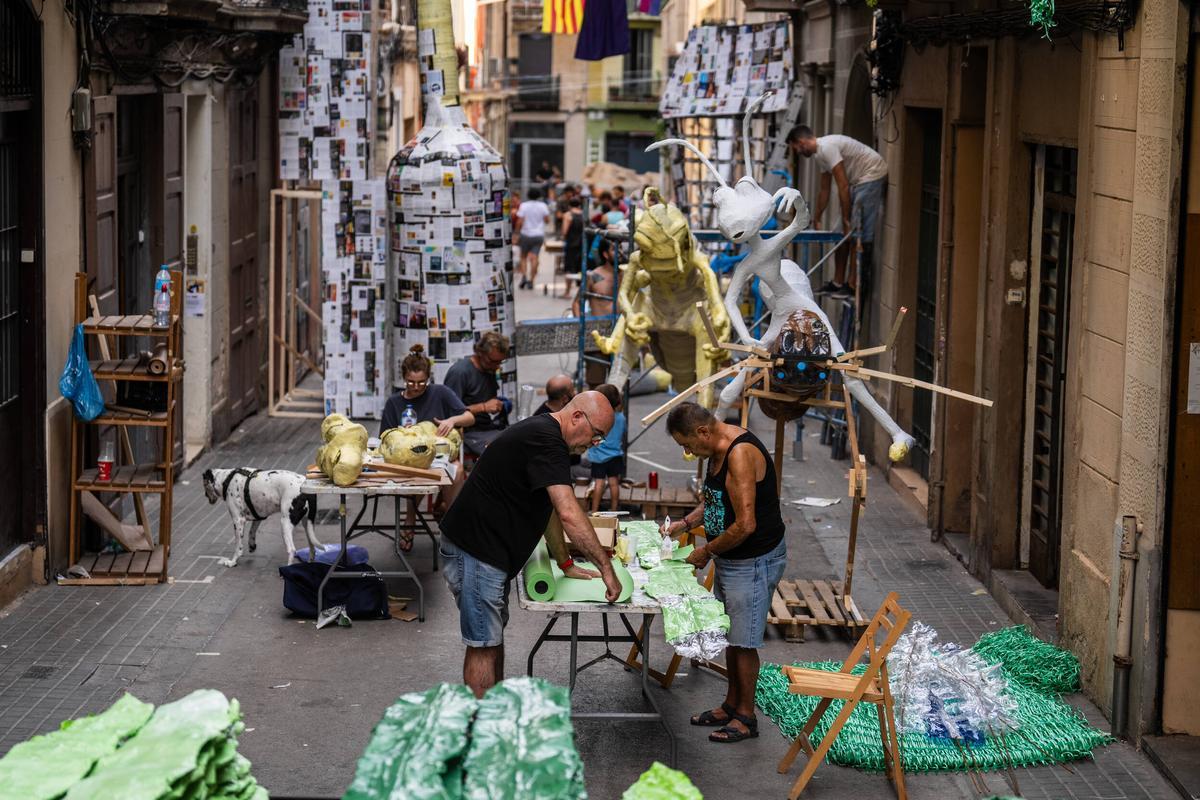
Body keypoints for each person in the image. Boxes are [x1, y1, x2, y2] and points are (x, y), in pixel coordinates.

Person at [439, 391, 623, 697]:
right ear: (577, 417)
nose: (595, 444)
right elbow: (567, 512)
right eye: (597, 435)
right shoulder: (546, 440)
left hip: (489, 552)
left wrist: (565, 563)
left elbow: (549, 508)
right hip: (475, 549)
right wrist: (605, 567)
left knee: (491, 639)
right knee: (483, 644)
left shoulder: (550, 439)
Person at [662, 402, 787, 744]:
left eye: (687, 445)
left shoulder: (739, 454)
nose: (688, 452)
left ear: (703, 432)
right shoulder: (715, 451)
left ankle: (746, 717)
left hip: (753, 560)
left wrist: (706, 552)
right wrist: (685, 524)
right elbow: (718, 501)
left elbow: (745, 524)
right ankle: (731, 705)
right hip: (732, 559)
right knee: (733, 635)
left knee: (744, 642)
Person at [380, 345, 475, 530]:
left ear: (428, 378)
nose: (416, 387)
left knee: (457, 471)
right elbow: (384, 437)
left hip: (439, 457)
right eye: (411, 382)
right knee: (416, 470)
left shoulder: (440, 393)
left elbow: (470, 417)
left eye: (421, 383)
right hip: (408, 460)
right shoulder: (394, 402)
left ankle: (451, 519)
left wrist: (452, 420)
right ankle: (410, 518)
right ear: (404, 378)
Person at [787, 126, 888, 300]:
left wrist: (847, 221)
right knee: (839, 235)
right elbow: (824, 190)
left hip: (871, 175)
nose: (796, 152)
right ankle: (838, 282)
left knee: (857, 234)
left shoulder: (828, 147)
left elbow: (843, 185)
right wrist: (817, 217)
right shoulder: (820, 155)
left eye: (795, 148)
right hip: (859, 181)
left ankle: (852, 284)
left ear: (801, 142)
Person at [445, 331, 510, 456]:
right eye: (493, 361)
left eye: (500, 362)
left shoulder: (489, 369)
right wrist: (483, 407)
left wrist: (500, 405)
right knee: (505, 452)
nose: (497, 366)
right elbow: (449, 412)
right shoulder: (460, 373)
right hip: (469, 432)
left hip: (490, 427)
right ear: (480, 353)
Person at [587, 383, 625, 512]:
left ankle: (594, 510)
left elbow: (599, 438)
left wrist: (592, 442)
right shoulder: (621, 418)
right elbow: (618, 435)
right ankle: (614, 510)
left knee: (599, 483)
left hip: (599, 457)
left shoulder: (600, 419)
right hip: (615, 455)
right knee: (614, 483)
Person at [516, 187, 552, 290]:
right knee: (534, 257)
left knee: (523, 256)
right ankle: (532, 281)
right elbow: (547, 220)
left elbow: (519, 221)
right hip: (538, 235)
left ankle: (524, 277)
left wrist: (516, 233)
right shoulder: (543, 206)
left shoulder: (524, 205)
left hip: (525, 234)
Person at [574, 237, 615, 318]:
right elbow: (576, 304)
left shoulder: (626, 274)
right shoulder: (593, 276)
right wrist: (582, 328)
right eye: (614, 249)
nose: (620, 253)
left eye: (620, 248)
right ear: (605, 254)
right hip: (598, 328)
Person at [561, 197, 585, 277]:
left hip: (571, 243)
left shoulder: (568, 215)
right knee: (580, 267)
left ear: (569, 205)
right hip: (582, 243)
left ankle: (567, 289)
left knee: (569, 268)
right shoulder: (584, 214)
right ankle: (580, 287)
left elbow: (564, 231)